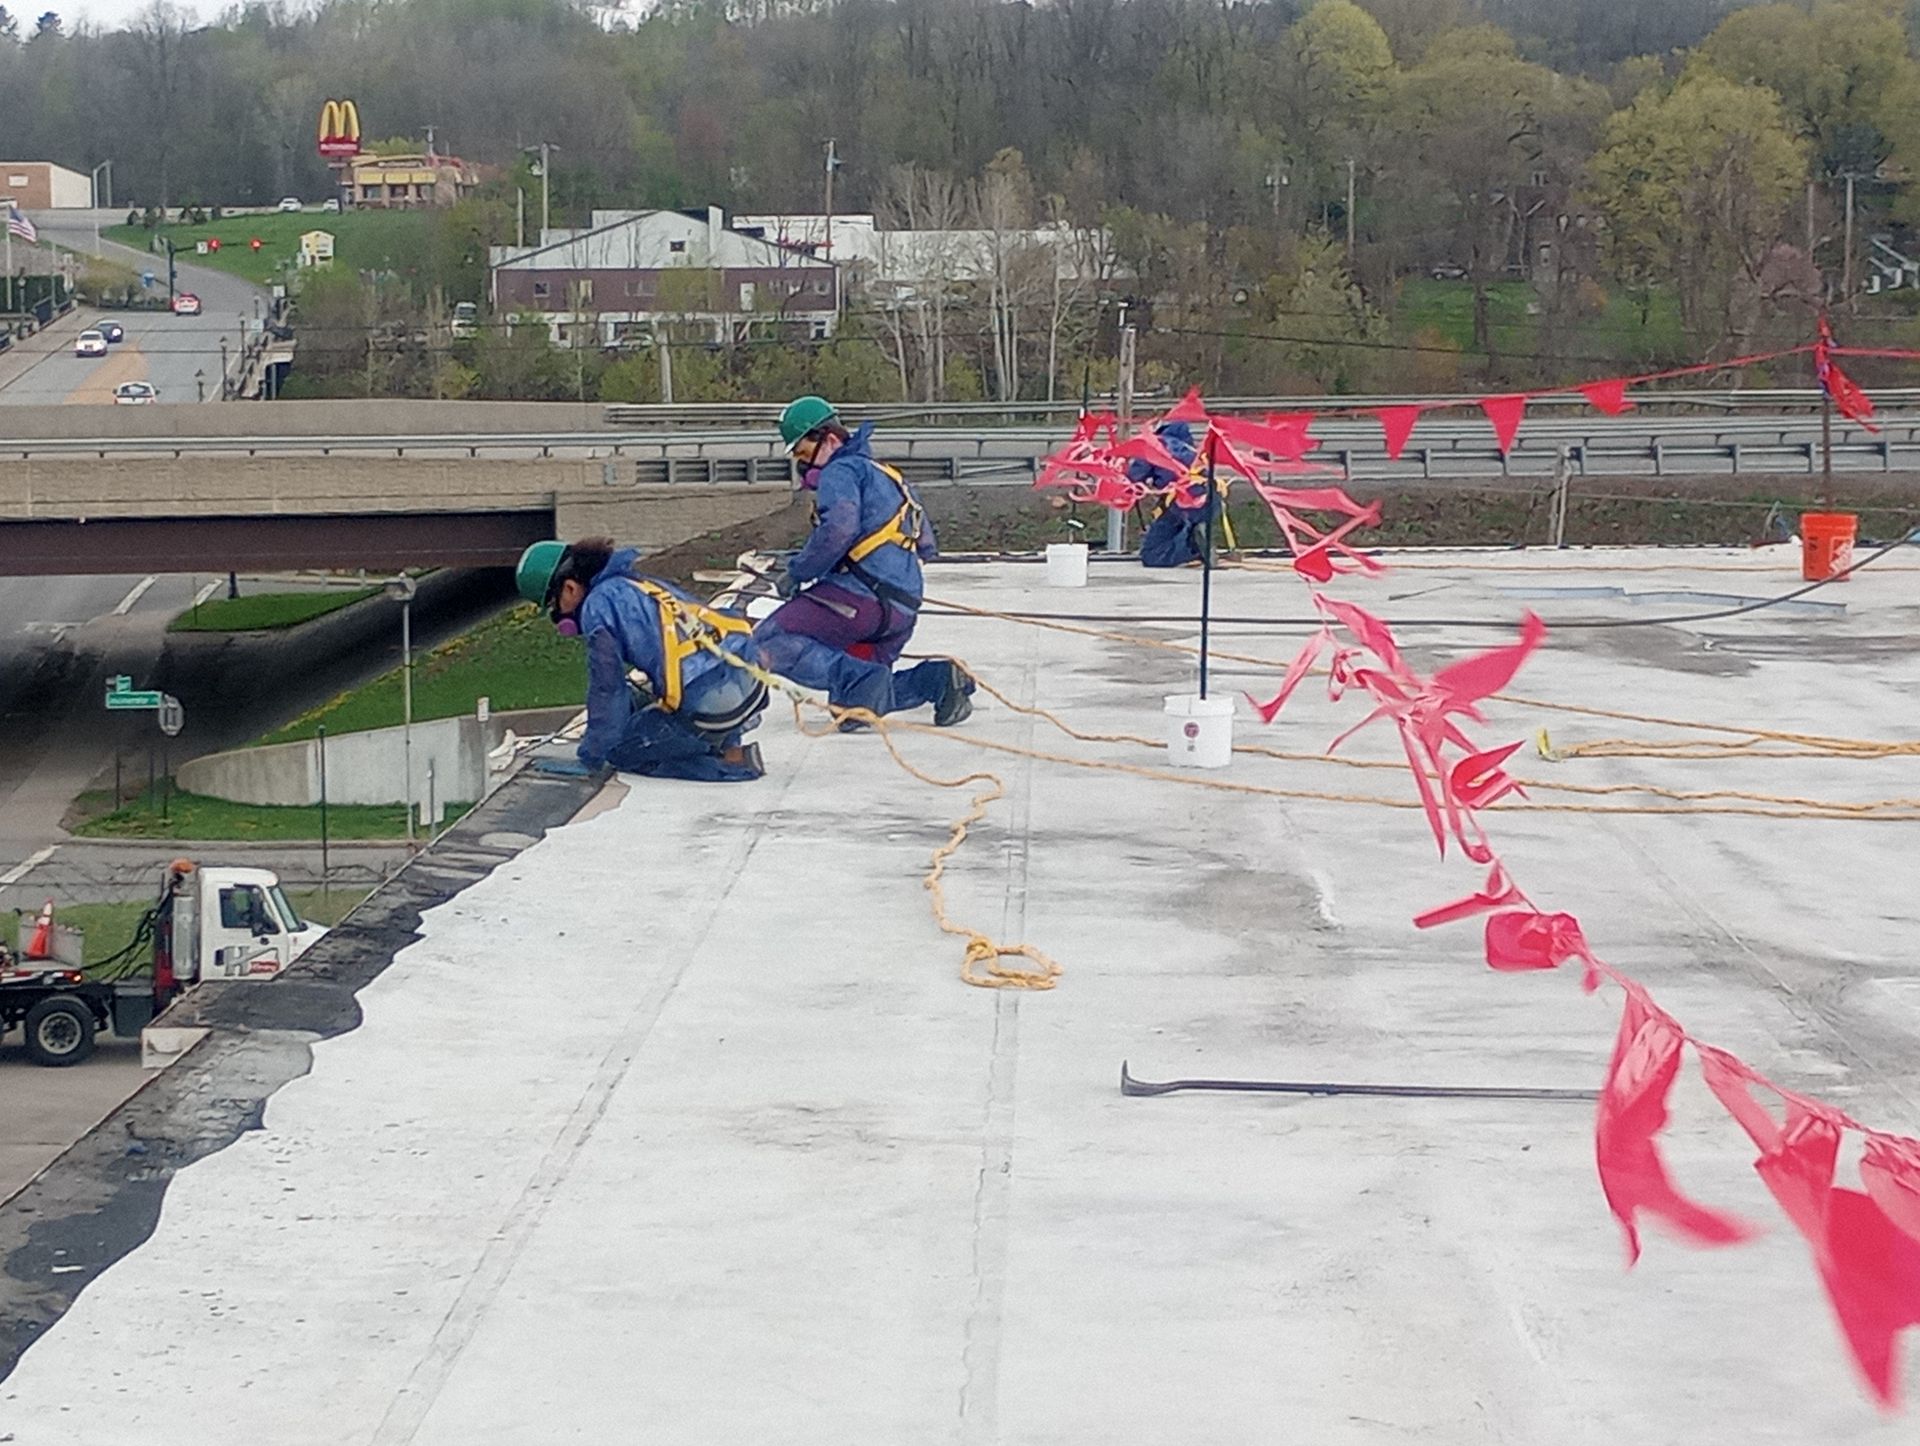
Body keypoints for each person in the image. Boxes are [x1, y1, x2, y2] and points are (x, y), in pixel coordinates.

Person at [751, 395, 973, 729]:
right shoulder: (889, 475)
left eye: (801, 452)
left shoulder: (840, 471)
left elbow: (838, 529)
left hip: (861, 604)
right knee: (855, 706)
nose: (801, 464)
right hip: (902, 610)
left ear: (828, 438)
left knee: (766, 640)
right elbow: (926, 545)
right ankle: (939, 680)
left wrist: (798, 571)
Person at [517, 538, 768, 783]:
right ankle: (728, 743)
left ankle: (726, 764)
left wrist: (592, 757)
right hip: (747, 680)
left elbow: (607, 689)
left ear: (570, 588)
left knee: (621, 751)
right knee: (639, 703)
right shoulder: (635, 582)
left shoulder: (597, 607)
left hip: (712, 704)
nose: (558, 615)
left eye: (554, 605)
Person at [1131, 420, 1227, 569]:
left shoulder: (1155, 446)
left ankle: (1192, 546)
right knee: (1179, 529)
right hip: (1210, 500)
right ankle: (1194, 540)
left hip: (1182, 503)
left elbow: (1133, 478)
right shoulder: (1191, 450)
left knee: (1152, 555)